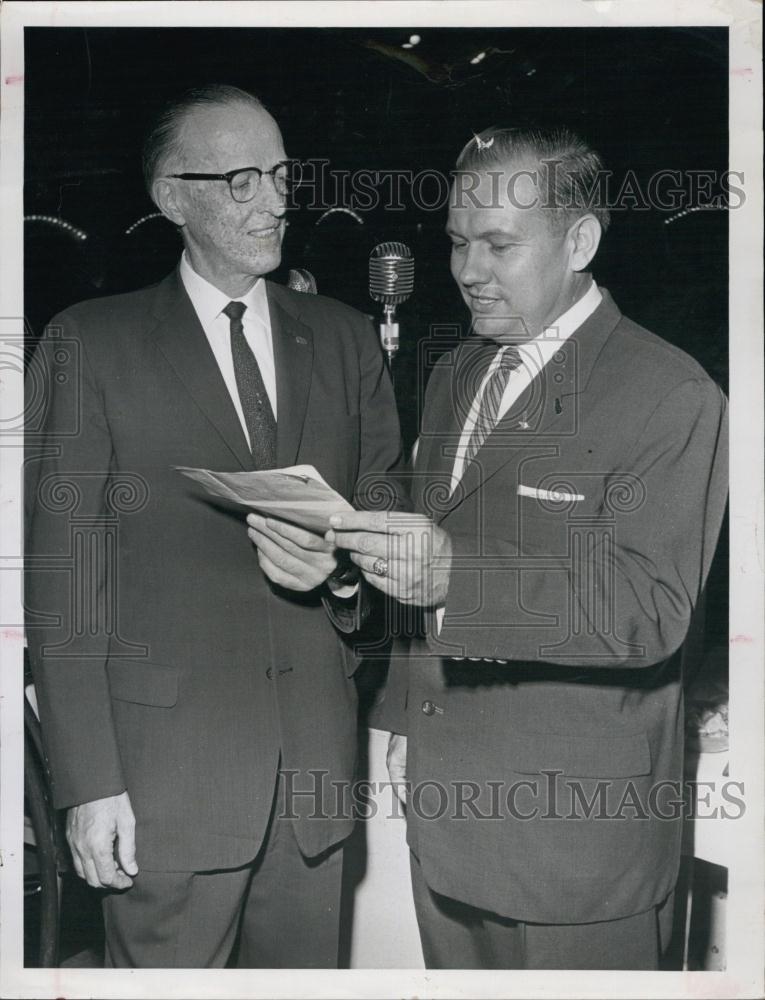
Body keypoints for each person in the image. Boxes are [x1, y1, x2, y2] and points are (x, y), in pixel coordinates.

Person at [326, 126, 729, 969]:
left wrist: (453, 576)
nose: (469, 271)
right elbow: (431, 542)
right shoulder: (457, 373)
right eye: (457, 243)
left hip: (576, 857)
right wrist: (396, 694)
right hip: (447, 816)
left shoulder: (668, 392)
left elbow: (646, 610)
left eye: (500, 245)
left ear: (579, 241)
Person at [24, 84, 403, 968]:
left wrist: (344, 577)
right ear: (170, 198)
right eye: (240, 179)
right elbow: (62, 576)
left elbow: (384, 530)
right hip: (161, 790)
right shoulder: (91, 342)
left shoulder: (345, 341)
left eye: (279, 173)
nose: (274, 200)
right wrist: (89, 784)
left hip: (312, 787)